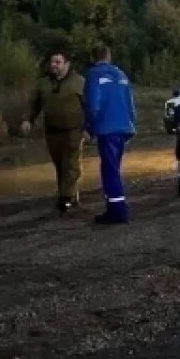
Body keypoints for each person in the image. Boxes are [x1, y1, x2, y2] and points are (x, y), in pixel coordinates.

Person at [21, 51, 87, 213]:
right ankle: (70, 195)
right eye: (52, 62)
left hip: (74, 130)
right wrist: (27, 120)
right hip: (52, 131)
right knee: (60, 165)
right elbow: (34, 105)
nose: (54, 65)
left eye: (58, 62)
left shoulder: (79, 82)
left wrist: (89, 128)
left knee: (71, 164)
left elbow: (89, 106)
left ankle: (66, 199)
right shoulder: (43, 84)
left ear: (67, 64)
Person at [83, 45, 136, 224]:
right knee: (114, 167)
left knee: (109, 169)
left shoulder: (94, 75)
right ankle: (114, 207)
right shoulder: (121, 75)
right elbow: (130, 104)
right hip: (123, 127)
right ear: (109, 56)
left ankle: (117, 211)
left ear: (93, 58)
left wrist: (89, 127)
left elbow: (92, 105)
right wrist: (131, 126)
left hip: (107, 128)